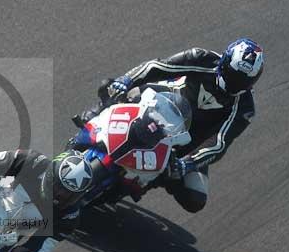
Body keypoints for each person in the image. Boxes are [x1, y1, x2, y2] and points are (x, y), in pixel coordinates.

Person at [72, 38, 264, 213]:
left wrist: (188, 163)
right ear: (225, 63)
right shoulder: (201, 59)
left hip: (189, 144)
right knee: (115, 89)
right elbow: (157, 66)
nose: (234, 83)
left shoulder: (244, 109)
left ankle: (151, 181)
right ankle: (93, 119)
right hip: (163, 103)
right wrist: (126, 80)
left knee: (195, 199)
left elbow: (219, 143)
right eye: (233, 74)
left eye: (242, 81)